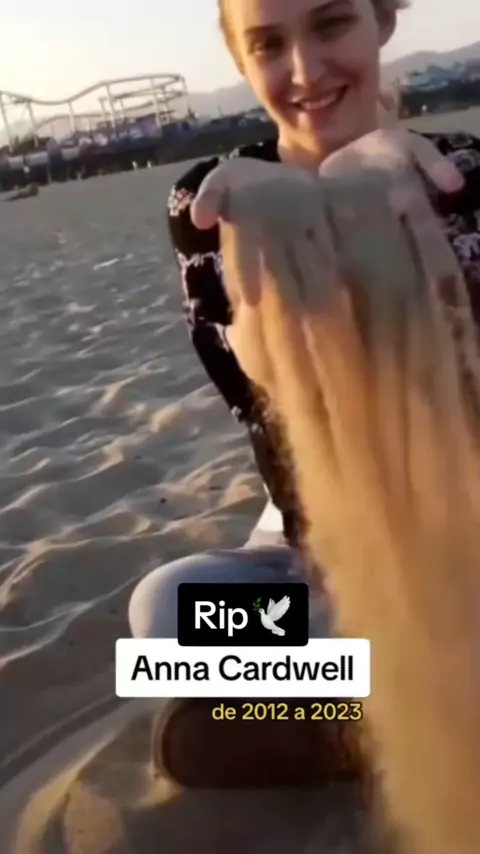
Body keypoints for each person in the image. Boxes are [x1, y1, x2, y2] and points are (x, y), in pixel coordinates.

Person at [128, 0, 480, 788]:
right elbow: (259, 389)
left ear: (382, 22)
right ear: (239, 58)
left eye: (330, 25)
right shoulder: (213, 200)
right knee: (164, 614)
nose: (304, 71)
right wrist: (268, 235)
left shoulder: (460, 173)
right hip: (313, 540)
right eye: (267, 44)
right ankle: (376, 716)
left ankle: (348, 716)